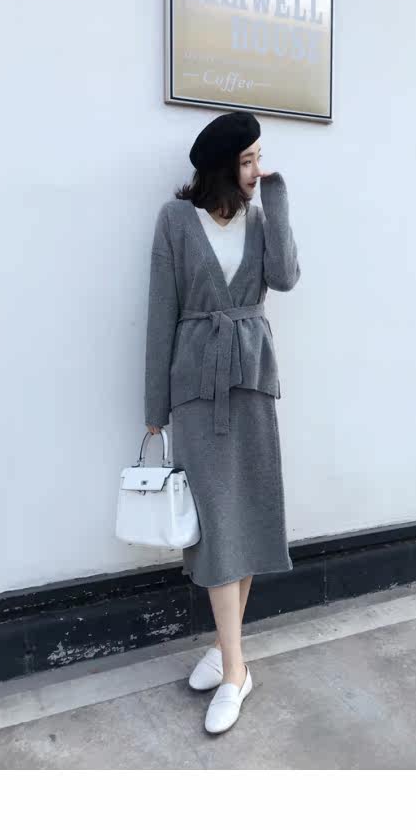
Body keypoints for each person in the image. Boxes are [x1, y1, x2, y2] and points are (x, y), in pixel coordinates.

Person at [143, 110, 300, 734]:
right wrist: (154, 412)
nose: (258, 170)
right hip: (196, 389)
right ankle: (236, 666)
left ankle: (227, 656)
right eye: (248, 161)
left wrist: (277, 200)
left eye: (260, 158)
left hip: (251, 382)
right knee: (214, 527)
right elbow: (161, 314)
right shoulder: (175, 221)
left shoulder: (261, 218)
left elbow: (284, 278)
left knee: (250, 514)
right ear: (220, 169)